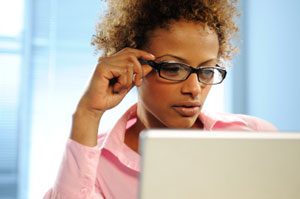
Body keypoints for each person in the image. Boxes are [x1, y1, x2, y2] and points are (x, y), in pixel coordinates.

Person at [44, 0, 277, 198]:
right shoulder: (91, 162)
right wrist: (87, 112)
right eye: (174, 68)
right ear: (134, 65)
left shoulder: (256, 136)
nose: (194, 89)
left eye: (206, 71)